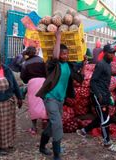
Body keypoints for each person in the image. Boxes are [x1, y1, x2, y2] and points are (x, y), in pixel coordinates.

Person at [36, 31, 86, 160]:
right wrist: (58, 37)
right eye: (63, 53)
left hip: (60, 99)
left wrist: (84, 64)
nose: (65, 55)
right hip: (50, 97)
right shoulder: (53, 65)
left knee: (53, 125)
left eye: (66, 53)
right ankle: (57, 154)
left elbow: (80, 78)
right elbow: (55, 57)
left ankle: (42, 146)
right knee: (58, 124)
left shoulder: (68, 66)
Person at [76, 44, 116, 147]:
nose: (113, 55)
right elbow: (93, 81)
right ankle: (106, 140)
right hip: (98, 96)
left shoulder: (108, 64)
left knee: (101, 117)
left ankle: (84, 130)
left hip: (104, 94)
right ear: (105, 53)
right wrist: (98, 94)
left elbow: (104, 82)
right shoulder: (101, 64)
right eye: (111, 53)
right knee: (105, 118)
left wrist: (108, 95)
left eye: (114, 53)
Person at [20, 46, 48, 135]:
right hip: (43, 82)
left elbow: (23, 77)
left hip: (32, 83)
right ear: (35, 52)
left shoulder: (25, 63)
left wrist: (26, 81)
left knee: (33, 105)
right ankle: (44, 121)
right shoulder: (41, 60)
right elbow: (47, 71)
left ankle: (34, 128)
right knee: (43, 103)